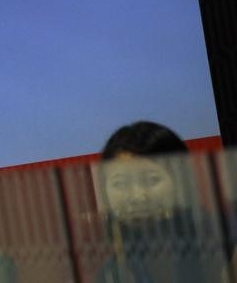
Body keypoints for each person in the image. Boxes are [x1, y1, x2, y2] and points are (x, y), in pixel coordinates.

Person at [96, 121, 228, 283]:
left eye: (151, 180)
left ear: (182, 182)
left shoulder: (223, 244)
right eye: (120, 183)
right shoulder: (113, 271)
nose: (138, 197)